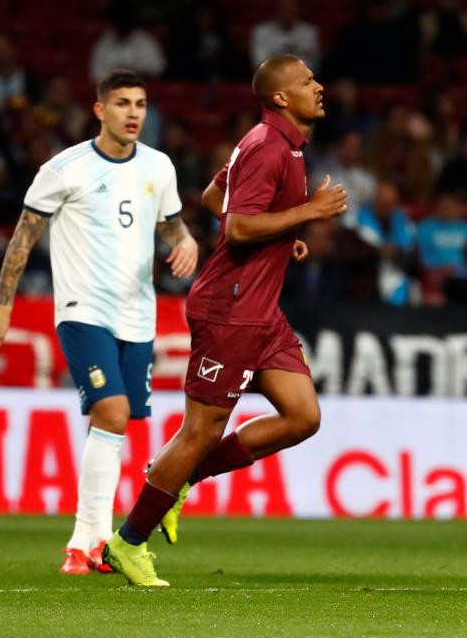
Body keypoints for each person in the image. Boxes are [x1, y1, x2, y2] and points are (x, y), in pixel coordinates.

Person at [102, 55, 347, 586]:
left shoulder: (281, 145)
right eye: (307, 81)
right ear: (281, 97)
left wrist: (283, 235)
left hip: (261, 312)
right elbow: (236, 228)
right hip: (231, 311)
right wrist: (308, 213)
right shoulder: (267, 148)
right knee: (200, 431)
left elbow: (217, 196)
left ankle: (182, 479)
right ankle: (127, 542)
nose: (319, 86)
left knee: (303, 416)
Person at [0, 68, 198, 575]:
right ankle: (94, 538)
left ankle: (84, 542)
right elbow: (24, 236)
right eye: (122, 104)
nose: (133, 114)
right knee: (114, 412)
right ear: (100, 110)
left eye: (140, 104)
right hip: (83, 311)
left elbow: (170, 226)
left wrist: (184, 242)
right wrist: (4, 304)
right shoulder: (65, 168)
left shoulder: (159, 167)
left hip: (138, 316)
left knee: (113, 423)